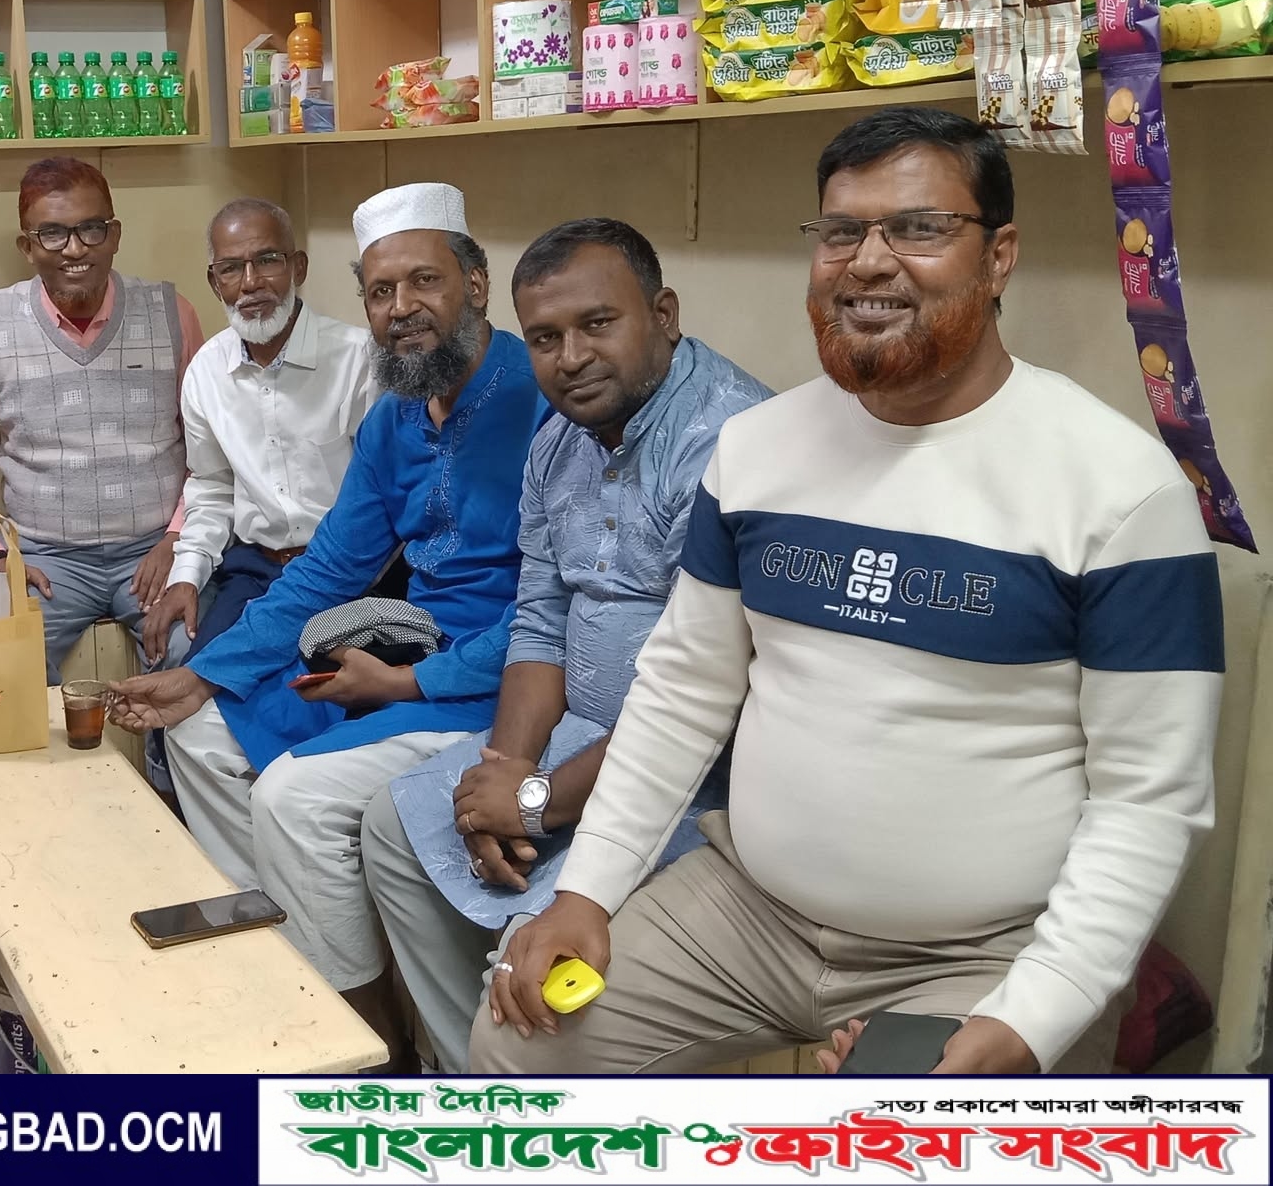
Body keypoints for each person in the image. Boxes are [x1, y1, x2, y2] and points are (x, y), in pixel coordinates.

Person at [472, 107, 1224, 1077]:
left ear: (997, 257)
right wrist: (588, 892)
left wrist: (1034, 1015)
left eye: (917, 228)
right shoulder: (756, 450)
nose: (867, 262)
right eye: (840, 231)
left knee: (898, 1134)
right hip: (748, 913)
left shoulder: (1119, 491)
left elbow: (1147, 799)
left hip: (986, 950)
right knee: (516, 1040)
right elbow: (684, 690)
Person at [109, 182, 546, 1048]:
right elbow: (327, 571)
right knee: (195, 729)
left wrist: (407, 681)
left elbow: (549, 607)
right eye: (380, 292)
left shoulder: (543, 399)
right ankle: (288, 949)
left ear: (476, 284)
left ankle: (359, 1038)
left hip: (499, 681)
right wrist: (203, 674)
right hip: (410, 646)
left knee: (291, 798)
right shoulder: (394, 418)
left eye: (423, 282)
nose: (400, 308)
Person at [360, 218, 770, 1072]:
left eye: (597, 324)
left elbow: (709, 701)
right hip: (578, 743)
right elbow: (540, 620)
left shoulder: (732, 446)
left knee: (528, 953)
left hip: (703, 781)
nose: (571, 357)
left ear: (663, 314)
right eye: (544, 338)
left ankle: (511, 1090)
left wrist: (535, 802)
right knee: (394, 826)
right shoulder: (558, 441)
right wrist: (503, 778)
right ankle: (463, 1082)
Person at [0, 156, 205, 677]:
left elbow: (208, 452)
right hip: (43, 559)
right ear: (27, 246)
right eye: (52, 234)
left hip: (155, 552)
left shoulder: (173, 314)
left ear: (114, 235)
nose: (74, 249)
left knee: (196, 662)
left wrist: (179, 541)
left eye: (91, 229)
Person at [141, 197, 377, 667]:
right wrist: (186, 577)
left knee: (319, 694)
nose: (250, 283)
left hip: (349, 575)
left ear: (298, 267)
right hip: (255, 572)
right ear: (215, 282)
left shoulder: (358, 359)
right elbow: (211, 488)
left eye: (267, 260)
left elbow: (380, 497)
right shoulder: (207, 372)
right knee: (197, 682)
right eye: (231, 269)